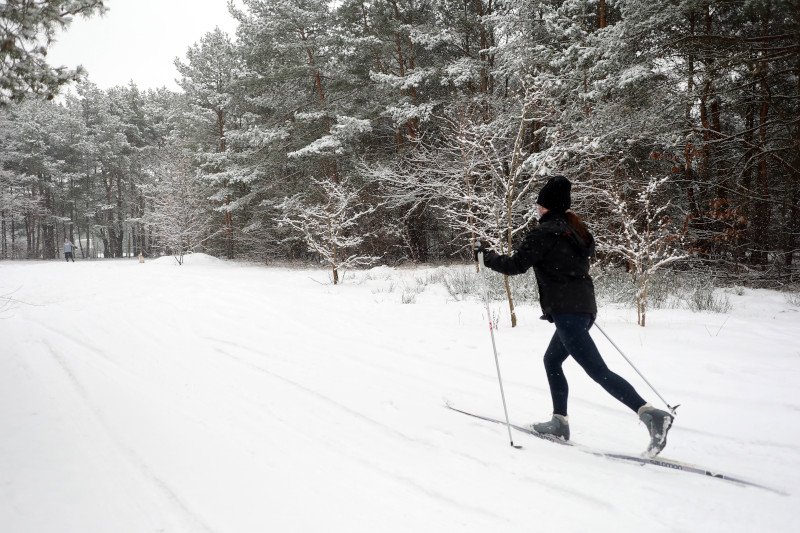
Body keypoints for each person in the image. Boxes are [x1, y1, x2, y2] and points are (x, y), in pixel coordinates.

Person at [475, 175, 674, 457]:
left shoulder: (545, 233)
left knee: (598, 371)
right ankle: (559, 422)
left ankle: (651, 414)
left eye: (538, 204)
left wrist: (487, 256)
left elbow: (516, 265)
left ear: (546, 207)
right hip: (583, 308)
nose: (536, 208)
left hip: (569, 311)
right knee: (552, 359)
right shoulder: (575, 230)